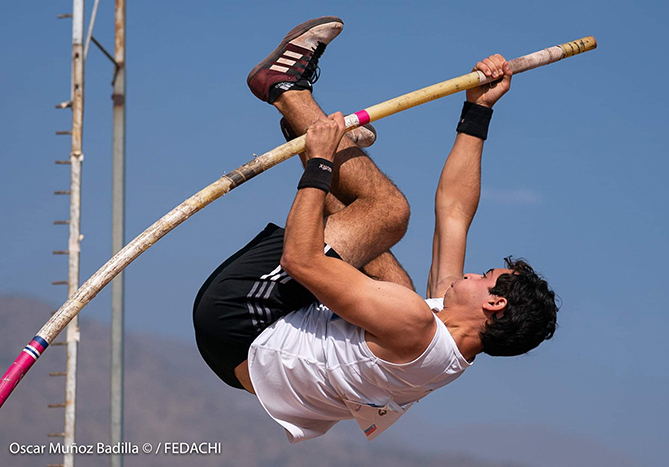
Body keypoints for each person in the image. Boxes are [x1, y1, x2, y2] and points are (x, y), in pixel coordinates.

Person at [193, 16, 558, 443]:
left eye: (485, 277)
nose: (473, 273)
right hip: (240, 362)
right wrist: (478, 109)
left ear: (494, 304)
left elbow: (301, 258)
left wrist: (320, 164)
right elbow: (454, 212)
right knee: (392, 277)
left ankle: (283, 88)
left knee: (389, 212)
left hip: (239, 317)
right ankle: (306, 128)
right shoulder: (448, 348)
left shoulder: (415, 327)